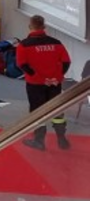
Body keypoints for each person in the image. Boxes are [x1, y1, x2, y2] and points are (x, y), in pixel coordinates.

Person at [16, 15, 71, 150]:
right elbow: (66, 62)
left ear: (30, 27)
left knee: (37, 111)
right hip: (54, 84)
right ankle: (61, 139)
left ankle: (39, 140)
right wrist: (57, 77)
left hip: (35, 84)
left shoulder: (24, 45)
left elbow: (23, 65)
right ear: (44, 27)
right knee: (57, 110)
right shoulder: (56, 43)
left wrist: (40, 78)